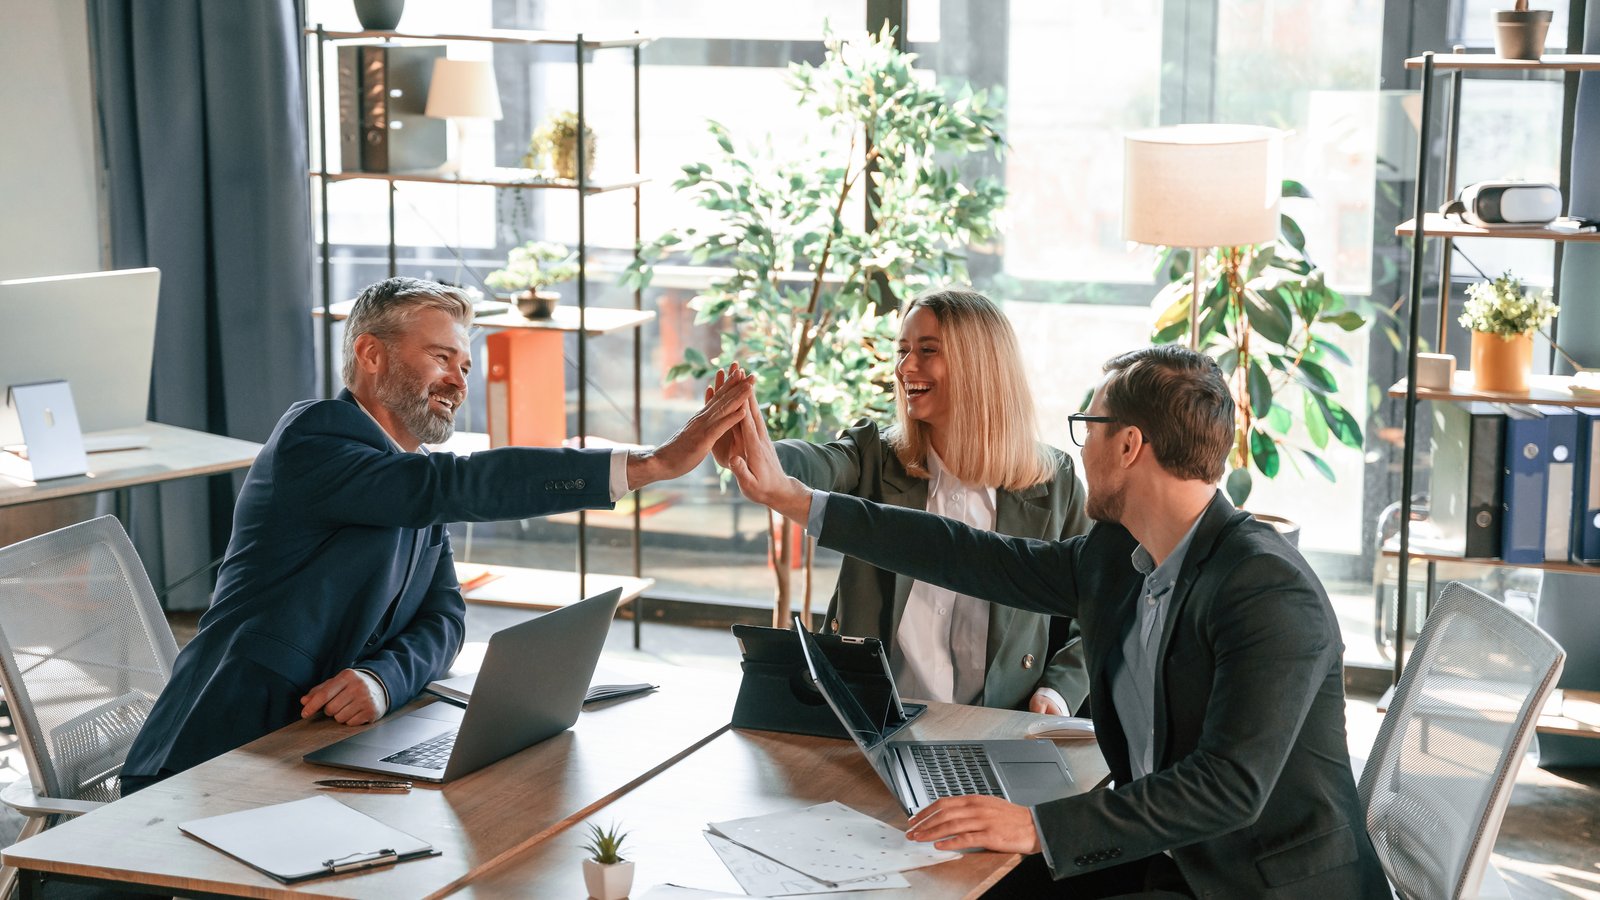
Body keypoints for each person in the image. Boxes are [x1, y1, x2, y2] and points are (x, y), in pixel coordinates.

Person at [722, 344, 1388, 898]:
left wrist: (1036, 827)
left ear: (1128, 445)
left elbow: (1227, 788)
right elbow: (972, 556)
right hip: (1163, 853)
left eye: (1088, 426)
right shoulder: (1121, 556)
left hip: (1252, 882)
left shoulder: (1266, 589)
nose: (1081, 446)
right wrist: (798, 500)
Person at [122, 277, 753, 790]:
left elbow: (444, 619)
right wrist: (650, 465)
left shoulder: (411, 472)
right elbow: (454, 485)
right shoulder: (315, 439)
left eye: (465, 364)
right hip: (212, 755)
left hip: (315, 748)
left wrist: (382, 680)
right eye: (440, 357)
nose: (459, 380)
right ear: (371, 355)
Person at [713, 289, 1091, 713]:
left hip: (999, 724)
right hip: (871, 720)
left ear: (980, 365)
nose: (904, 367)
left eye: (927, 350)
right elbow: (820, 463)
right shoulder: (875, 453)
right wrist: (759, 453)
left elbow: (1099, 605)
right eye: (903, 350)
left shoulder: (1054, 480)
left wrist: (1058, 689)